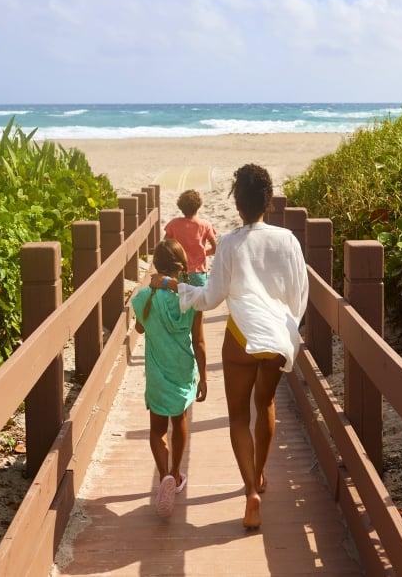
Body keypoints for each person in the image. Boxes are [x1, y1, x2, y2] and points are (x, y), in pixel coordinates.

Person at [150, 164, 308, 530]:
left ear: (237, 205)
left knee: (238, 416)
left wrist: (174, 286)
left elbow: (210, 298)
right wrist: (287, 330)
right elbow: (299, 294)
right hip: (276, 337)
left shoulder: (231, 244)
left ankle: (250, 489)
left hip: (240, 336)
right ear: (268, 201)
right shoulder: (288, 240)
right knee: (265, 405)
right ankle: (261, 473)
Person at [131, 238, 208, 518]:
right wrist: (203, 377)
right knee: (180, 419)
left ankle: (163, 474)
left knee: (157, 429)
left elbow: (140, 329)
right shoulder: (190, 299)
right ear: (182, 266)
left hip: (157, 371)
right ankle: (175, 473)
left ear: (155, 265)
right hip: (183, 368)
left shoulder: (143, 297)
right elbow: (199, 341)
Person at [164, 189, 218, 355]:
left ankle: (181, 346)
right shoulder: (205, 225)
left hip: (180, 273)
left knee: (180, 310)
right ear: (198, 206)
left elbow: (165, 246)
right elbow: (215, 247)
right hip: (199, 275)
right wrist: (203, 254)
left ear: (181, 206)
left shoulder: (173, 224)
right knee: (197, 318)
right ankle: (198, 346)